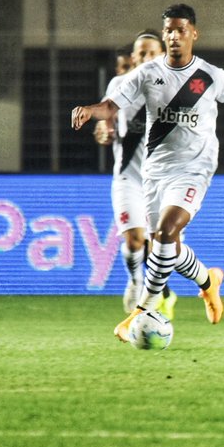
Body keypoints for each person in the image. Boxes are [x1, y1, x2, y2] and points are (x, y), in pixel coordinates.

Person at [72, 3, 224, 342]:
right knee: (167, 248)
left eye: (181, 30)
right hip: (155, 171)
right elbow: (110, 106)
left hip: (195, 168)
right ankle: (208, 281)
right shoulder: (146, 74)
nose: (174, 36)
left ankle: (141, 310)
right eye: (169, 30)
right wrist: (89, 110)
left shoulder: (212, 76)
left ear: (194, 33)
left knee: (166, 234)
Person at [93, 31, 177, 318]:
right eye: (141, 53)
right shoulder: (119, 84)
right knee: (134, 240)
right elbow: (105, 120)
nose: (146, 57)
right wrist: (103, 130)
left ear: (162, 54)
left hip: (162, 181)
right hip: (128, 177)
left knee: (159, 246)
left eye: (152, 52)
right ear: (133, 57)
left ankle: (161, 294)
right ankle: (135, 280)